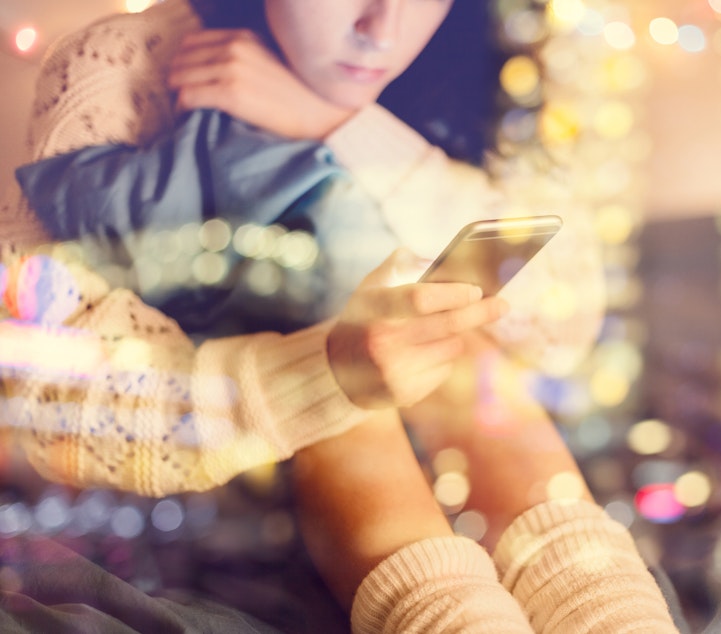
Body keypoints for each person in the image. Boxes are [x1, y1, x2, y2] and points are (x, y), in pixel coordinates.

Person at [0, 0, 682, 631]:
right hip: (234, 466)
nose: (380, 29)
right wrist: (324, 374)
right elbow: (49, 388)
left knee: (468, 357)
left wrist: (336, 124)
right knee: (359, 367)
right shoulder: (125, 63)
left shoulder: (495, 45)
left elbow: (564, 324)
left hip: (466, 447)